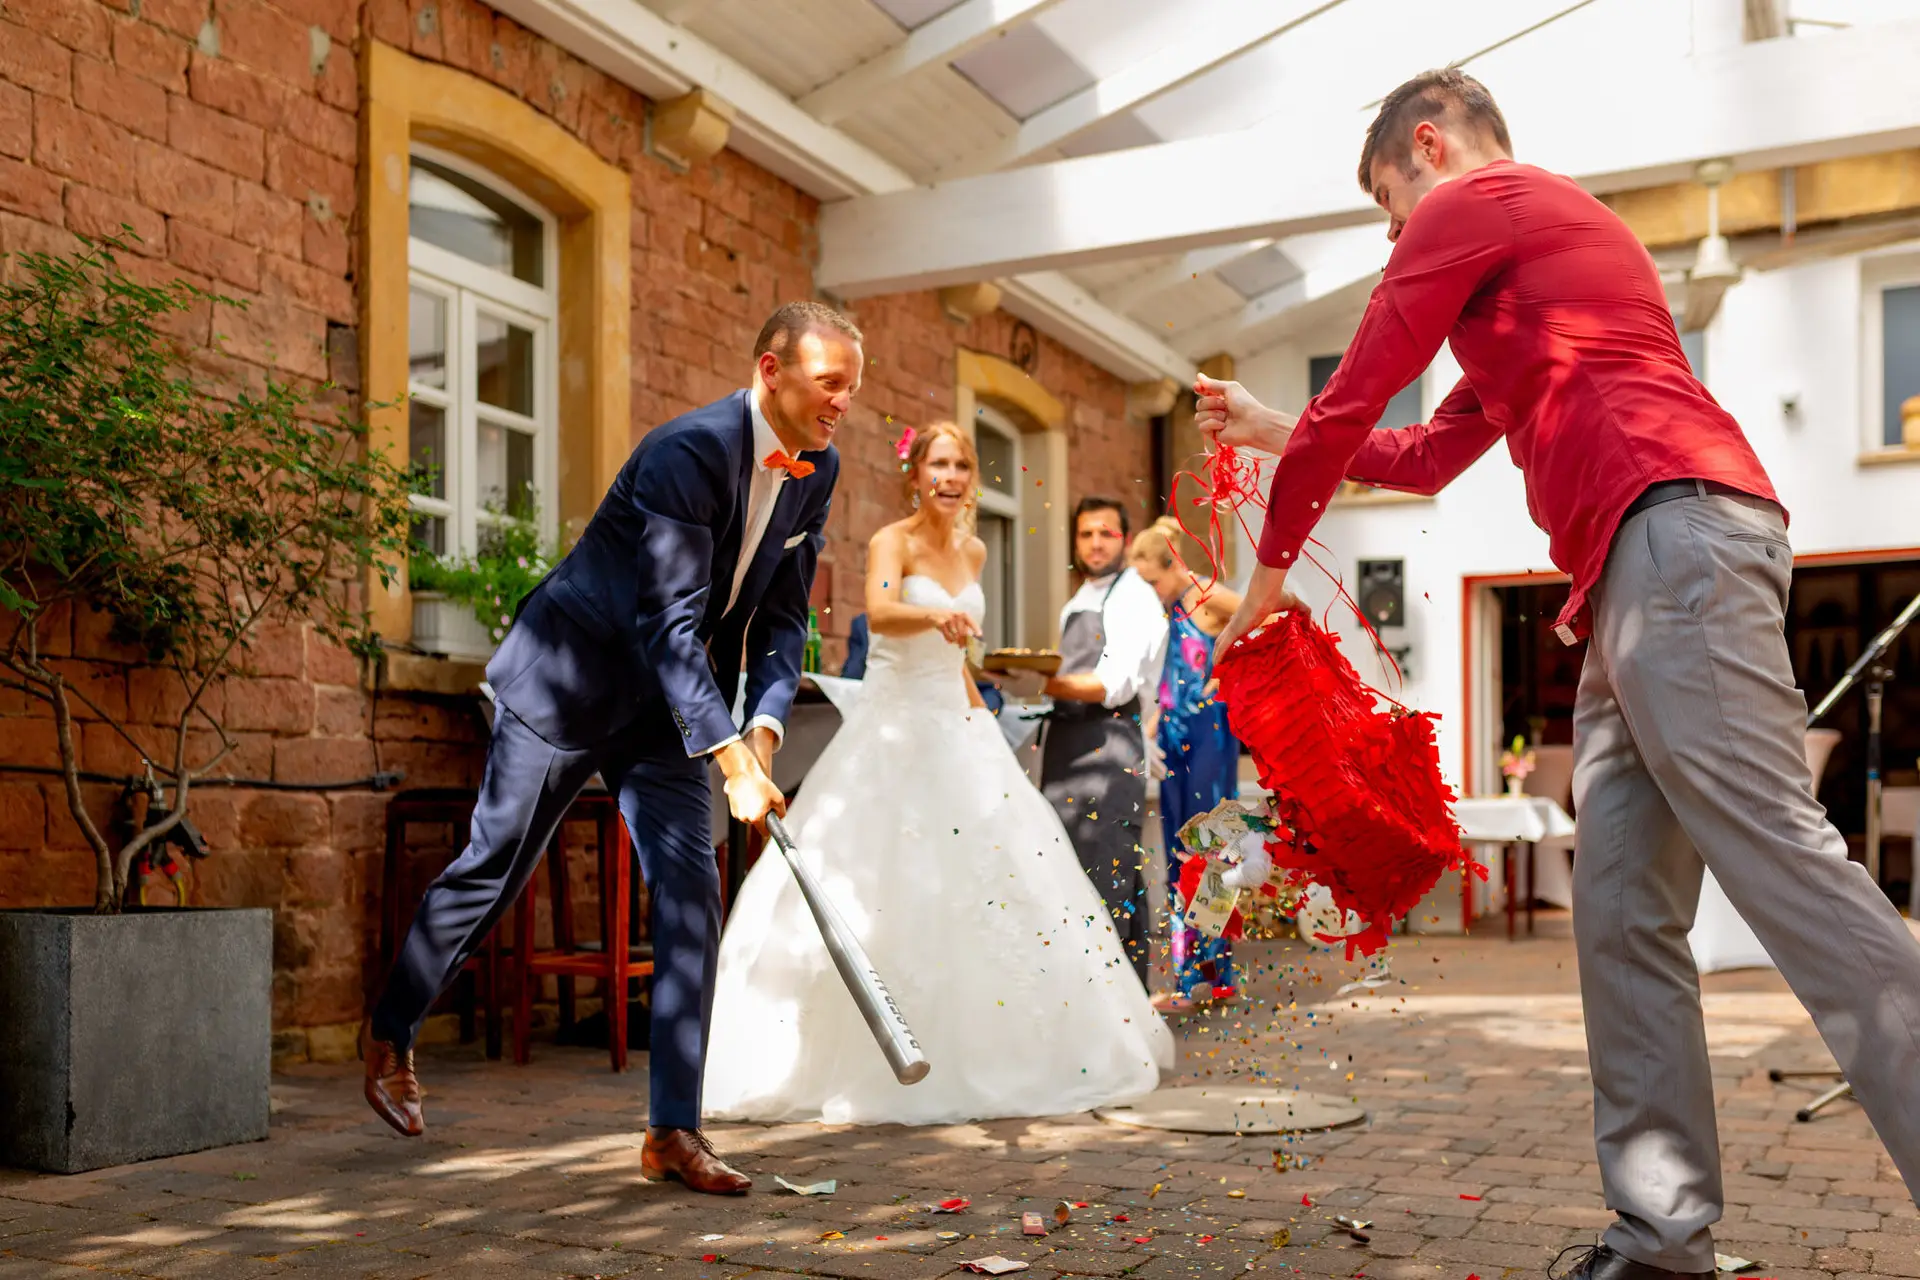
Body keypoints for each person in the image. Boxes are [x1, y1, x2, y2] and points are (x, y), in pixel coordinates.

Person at [1197, 68, 1920, 1280]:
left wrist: (1266, 586)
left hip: (1673, 537)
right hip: (1629, 575)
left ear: (1428, 148)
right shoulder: (1540, 260)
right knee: (1623, 915)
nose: (1395, 233)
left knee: (1786, 869)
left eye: (1390, 202)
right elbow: (1426, 452)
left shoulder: (1483, 207)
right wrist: (1281, 429)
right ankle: (1662, 1236)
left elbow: (1364, 382)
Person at [362, 301, 863, 1195]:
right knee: (495, 867)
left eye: (851, 390)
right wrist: (727, 757)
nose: (842, 405)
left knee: (690, 896)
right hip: (571, 678)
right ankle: (393, 1029)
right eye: (830, 384)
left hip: (665, 709)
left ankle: (672, 1131)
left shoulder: (817, 471)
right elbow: (667, 622)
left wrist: (766, 727)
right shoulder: (686, 452)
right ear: (770, 372)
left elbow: (784, 616)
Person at [702, 423, 1172, 1124]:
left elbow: (959, 660)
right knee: (884, 878)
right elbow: (882, 614)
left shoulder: (976, 549)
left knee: (1002, 880)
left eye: (961, 465)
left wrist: (981, 713)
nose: (950, 477)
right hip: (891, 728)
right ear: (915, 474)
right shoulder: (894, 539)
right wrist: (937, 615)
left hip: (956, 722)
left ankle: (1008, 1052)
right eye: (938, 464)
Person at [1037, 498, 1171, 990]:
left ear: (1125, 540)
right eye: (1086, 533)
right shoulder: (1079, 599)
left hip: (1108, 747)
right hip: (1068, 743)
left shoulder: (1133, 595)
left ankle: (1113, 1009)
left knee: (1106, 879)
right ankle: (1121, 1008)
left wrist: (1038, 681)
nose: (1096, 542)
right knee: (1093, 877)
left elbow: (1112, 684)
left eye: (1106, 533)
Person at [1127, 517, 1244, 1012]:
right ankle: (1189, 975)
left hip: (1211, 737)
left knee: (1213, 847)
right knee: (1179, 850)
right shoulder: (1170, 609)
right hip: (1174, 740)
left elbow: (1264, 623)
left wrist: (1232, 678)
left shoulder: (1210, 597)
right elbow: (1171, 679)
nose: (1149, 591)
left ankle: (1214, 974)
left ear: (1173, 565)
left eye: (1152, 580)